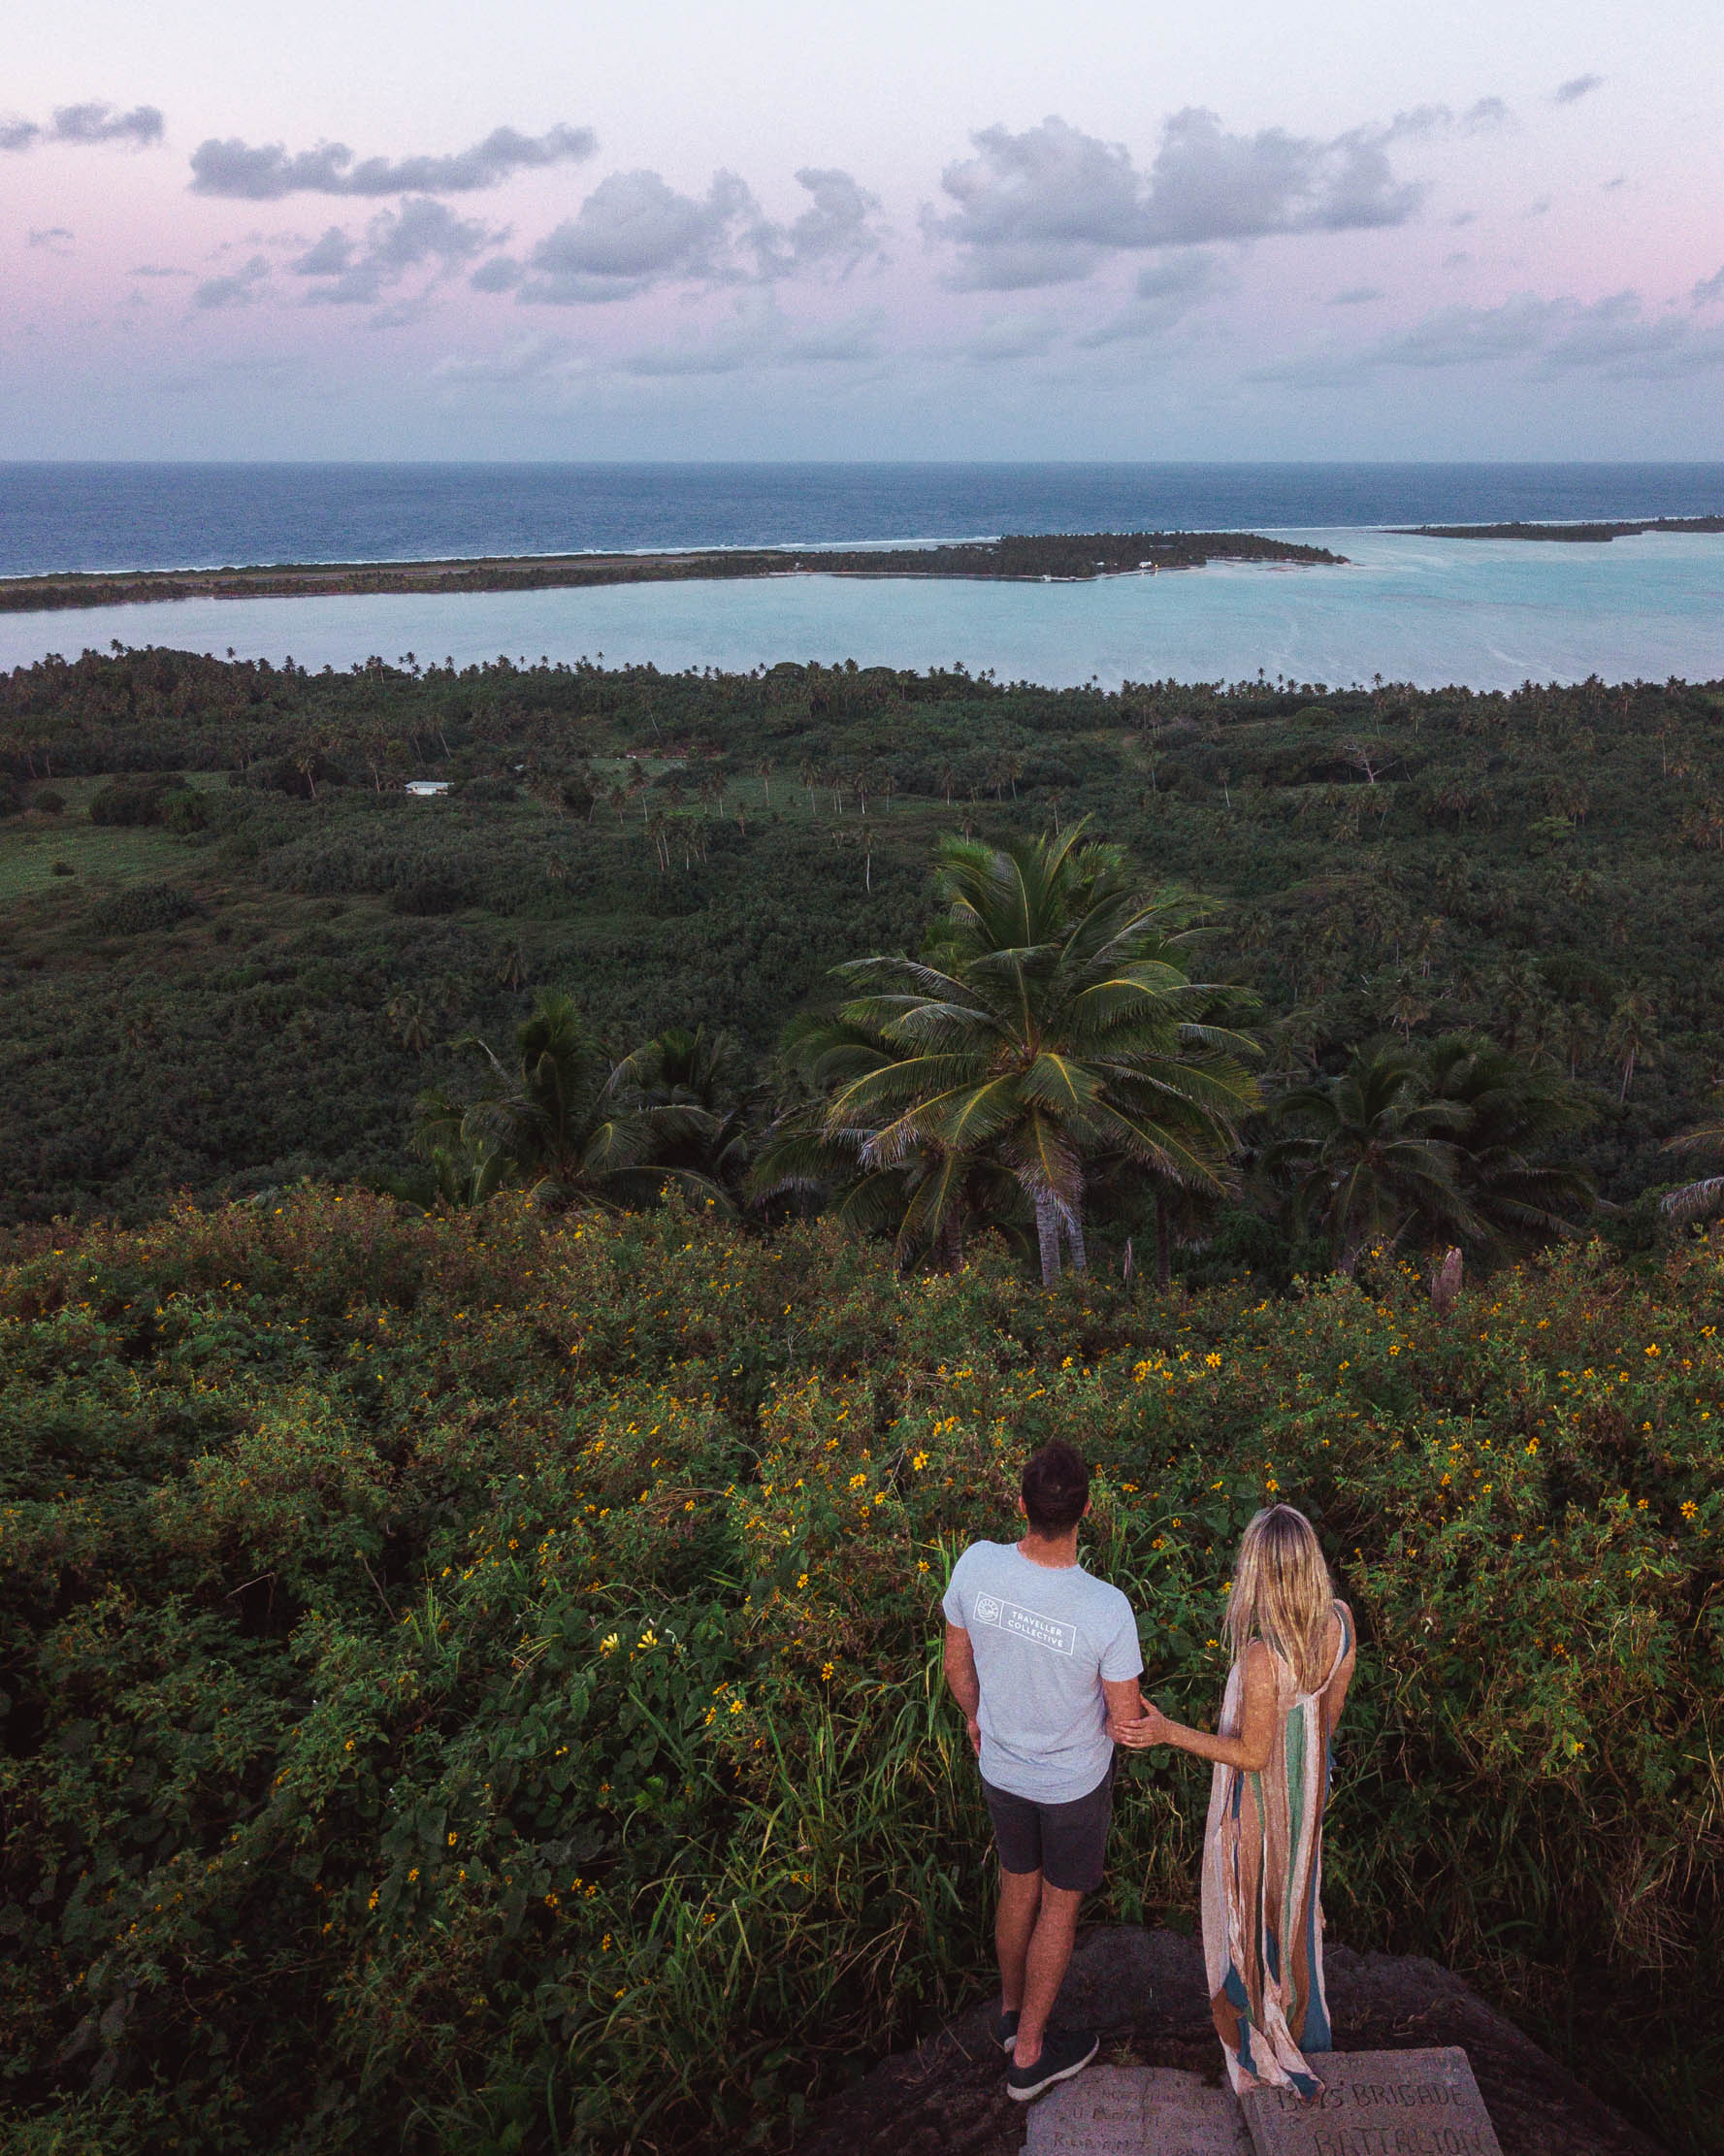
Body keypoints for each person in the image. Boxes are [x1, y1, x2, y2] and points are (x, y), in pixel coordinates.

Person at [1111, 1503, 1355, 2100]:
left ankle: (1259, 2039)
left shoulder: (1262, 1657)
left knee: (1246, 1918)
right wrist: (1309, 1787)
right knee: (1293, 1910)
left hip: (1260, 1808)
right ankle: (1302, 2023)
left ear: (1260, 1573)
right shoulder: (1340, 1622)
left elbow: (1250, 1754)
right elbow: (1328, 1718)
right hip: (1307, 1795)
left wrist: (1167, 1732)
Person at [941, 1441, 1144, 2103]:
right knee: (1059, 1905)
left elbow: (955, 1664)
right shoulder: (1105, 1607)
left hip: (1001, 1769)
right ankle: (1029, 2056)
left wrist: (976, 1718)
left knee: (1016, 1886)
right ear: (1086, 1510)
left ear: (1021, 1504)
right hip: (1071, 1787)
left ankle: (1010, 2016)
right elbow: (1124, 1719)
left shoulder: (976, 1564)